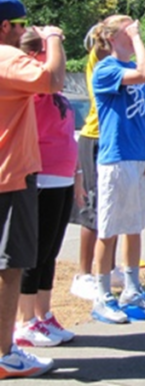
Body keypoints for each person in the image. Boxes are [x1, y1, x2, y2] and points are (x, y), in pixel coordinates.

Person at [0, 0, 65, 378]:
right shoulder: (6, 57)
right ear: (6, 26)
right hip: (10, 176)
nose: (28, 31)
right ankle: (6, 353)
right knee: (10, 267)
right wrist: (54, 37)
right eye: (22, 24)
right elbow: (53, 80)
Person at [90, 15, 145, 324]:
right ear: (112, 36)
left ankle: (132, 290)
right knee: (108, 230)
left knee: (134, 226)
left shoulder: (133, 71)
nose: (135, 32)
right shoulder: (106, 68)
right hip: (116, 158)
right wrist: (137, 39)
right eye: (127, 28)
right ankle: (102, 294)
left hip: (139, 158)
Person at [13, 31, 80, 348]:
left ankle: (43, 313)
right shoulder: (33, 77)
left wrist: (77, 175)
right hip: (40, 176)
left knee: (50, 252)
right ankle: (25, 320)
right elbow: (52, 74)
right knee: (34, 253)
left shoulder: (51, 86)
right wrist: (51, 38)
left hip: (62, 176)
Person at [69, 25, 112, 300]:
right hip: (94, 137)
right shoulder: (98, 61)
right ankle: (83, 273)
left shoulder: (121, 65)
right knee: (92, 211)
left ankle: (106, 267)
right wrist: (105, 31)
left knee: (111, 210)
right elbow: (98, 45)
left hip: (112, 141)